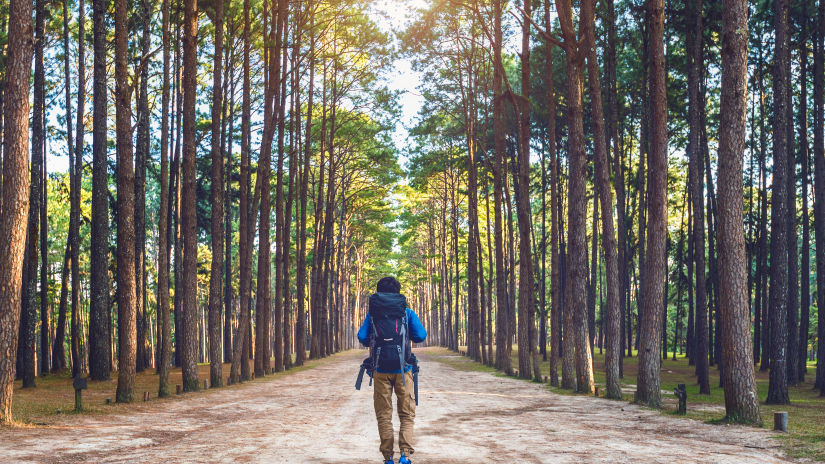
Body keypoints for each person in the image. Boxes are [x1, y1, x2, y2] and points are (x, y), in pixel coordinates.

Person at [358, 276, 427, 464]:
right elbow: (420, 335)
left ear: (379, 292)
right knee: (406, 414)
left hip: (380, 370)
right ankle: (405, 456)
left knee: (384, 415)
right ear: (398, 291)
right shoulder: (407, 312)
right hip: (403, 369)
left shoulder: (373, 314)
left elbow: (362, 337)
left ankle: (388, 458)